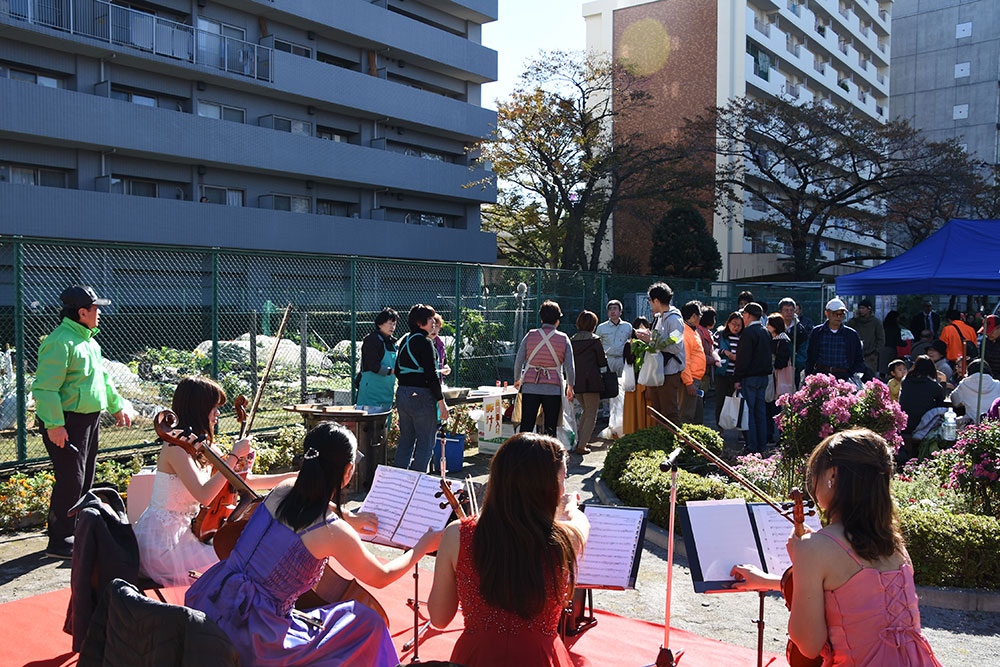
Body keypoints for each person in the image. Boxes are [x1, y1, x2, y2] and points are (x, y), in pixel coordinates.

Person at [186, 422, 441, 667]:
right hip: (258, 633)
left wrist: (348, 517)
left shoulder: (284, 488)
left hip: (215, 595)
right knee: (367, 621)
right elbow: (381, 576)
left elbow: (310, 498)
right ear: (348, 470)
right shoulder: (330, 531)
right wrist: (420, 548)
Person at [730, 429, 944, 667]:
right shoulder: (895, 545)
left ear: (832, 474)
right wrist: (768, 580)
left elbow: (808, 644)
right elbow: (854, 595)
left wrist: (801, 558)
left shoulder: (815, 548)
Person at [428, 432, 590, 667]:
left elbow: (439, 617)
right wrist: (569, 509)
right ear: (546, 486)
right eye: (563, 479)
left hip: (476, 657)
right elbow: (581, 522)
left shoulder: (457, 534)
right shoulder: (565, 538)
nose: (564, 489)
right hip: (540, 658)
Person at [133, 376, 296, 587]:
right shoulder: (175, 448)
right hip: (164, 543)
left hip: (189, 535)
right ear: (199, 409)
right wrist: (234, 457)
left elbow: (241, 482)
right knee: (235, 564)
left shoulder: (204, 447)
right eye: (214, 408)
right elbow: (204, 494)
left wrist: (291, 477)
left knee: (243, 558)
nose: (218, 414)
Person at [32, 285, 132, 559]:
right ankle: (59, 540)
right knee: (71, 480)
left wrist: (117, 406)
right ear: (82, 312)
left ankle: (75, 530)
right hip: (65, 422)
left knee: (84, 478)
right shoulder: (59, 342)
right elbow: (45, 388)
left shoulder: (89, 341)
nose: (99, 313)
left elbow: (102, 380)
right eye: (96, 308)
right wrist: (54, 424)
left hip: (89, 420)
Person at [394, 304, 450, 471]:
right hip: (422, 396)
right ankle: (417, 483)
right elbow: (432, 376)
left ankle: (397, 482)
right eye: (430, 319)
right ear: (420, 323)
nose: (434, 322)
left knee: (406, 440)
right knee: (425, 442)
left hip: (402, 394)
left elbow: (397, 370)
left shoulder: (405, 340)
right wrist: (441, 401)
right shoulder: (426, 342)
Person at [513, 300, 576, 438]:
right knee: (550, 427)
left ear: (541, 318)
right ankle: (549, 456)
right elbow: (570, 367)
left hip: (530, 386)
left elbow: (519, 360)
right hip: (553, 388)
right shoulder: (563, 338)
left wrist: (517, 379)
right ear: (558, 320)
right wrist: (570, 386)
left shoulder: (530, 335)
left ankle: (522, 454)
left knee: (527, 425)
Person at [635, 283, 685, 425]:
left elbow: (676, 346)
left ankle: (675, 443)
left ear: (656, 300)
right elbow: (658, 340)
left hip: (670, 371)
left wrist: (650, 340)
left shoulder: (674, 319)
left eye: (650, 300)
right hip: (659, 370)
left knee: (669, 411)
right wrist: (648, 337)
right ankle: (661, 443)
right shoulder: (659, 317)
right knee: (656, 411)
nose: (650, 303)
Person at [733, 303, 772, 454]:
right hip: (763, 378)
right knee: (760, 413)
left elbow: (743, 359)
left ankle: (752, 447)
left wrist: (737, 377)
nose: (743, 317)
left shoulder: (748, 333)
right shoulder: (766, 332)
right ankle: (762, 446)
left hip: (749, 378)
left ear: (748, 315)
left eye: (744, 314)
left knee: (749, 413)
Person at [570, 310, 608, 455]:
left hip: (577, 381)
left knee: (586, 412)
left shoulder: (572, 339)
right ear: (593, 325)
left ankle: (579, 441)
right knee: (591, 413)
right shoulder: (595, 340)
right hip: (592, 381)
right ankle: (581, 445)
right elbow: (602, 361)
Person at [804, 298, 865, 381]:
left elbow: (859, 359)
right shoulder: (817, 332)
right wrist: (809, 376)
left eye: (841, 314)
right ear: (827, 314)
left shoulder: (851, 334)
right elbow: (810, 357)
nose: (838, 317)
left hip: (844, 378)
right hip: (821, 376)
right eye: (835, 314)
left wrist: (852, 375)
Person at [355, 307, 397, 412]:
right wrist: (391, 371)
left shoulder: (392, 342)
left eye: (394, 324)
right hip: (371, 393)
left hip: (386, 392)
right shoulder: (371, 340)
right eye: (390, 323)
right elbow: (373, 365)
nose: (392, 327)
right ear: (380, 324)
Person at [898, 356, 945, 438]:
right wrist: (943, 381)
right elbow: (941, 403)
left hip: (904, 424)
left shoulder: (905, 381)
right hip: (923, 424)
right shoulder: (934, 386)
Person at [765, 313, 793, 445]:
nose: (767, 327)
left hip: (778, 378)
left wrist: (771, 362)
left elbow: (781, 362)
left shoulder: (781, 341)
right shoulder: (780, 339)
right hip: (776, 379)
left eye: (769, 324)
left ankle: (780, 436)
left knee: (777, 408)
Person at [622, 317, 653, 434]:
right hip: (637, 383)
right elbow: (628, 361)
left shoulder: (650, 345)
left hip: (643, 383)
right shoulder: (629, 344)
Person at [713, 312, 743, 429]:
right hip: (722, 374)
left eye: (739, 325)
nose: (736, 327)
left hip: (737, 374)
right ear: (728, 323)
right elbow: (714, 349)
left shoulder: (743, 336)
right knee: (721, 401)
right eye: (734, 324)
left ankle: (740, 430)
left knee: (738, 402)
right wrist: (725, 353)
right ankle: (720, 429)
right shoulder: (720, 335)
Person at [679, 300, 707, 425]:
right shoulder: (686, 332)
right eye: (700, 315)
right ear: (694, 316)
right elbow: (684, 359)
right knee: (688, 416)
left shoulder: (692, 330)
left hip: (696, 379)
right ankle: (685, 443)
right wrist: (689, 382)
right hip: (691, 380)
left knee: (696, 415)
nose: (701, 317)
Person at [846, 299, 884, 380]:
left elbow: (881, 338)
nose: (861, 310)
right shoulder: (856, 321)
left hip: (871, 355)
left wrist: (876, 352)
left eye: (863, 308)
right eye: (859, 308)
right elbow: (846, 329)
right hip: (856, 355)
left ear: (869, 309)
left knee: (869, 377)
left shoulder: (876, 322)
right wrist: (854, 319)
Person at [596, 299, 632, 376]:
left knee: (623, 385)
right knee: (607, 384)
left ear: (620, 312)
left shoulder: (628, 326)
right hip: (608, 360)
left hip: (622, 360)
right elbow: (597, 345)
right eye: (610, 309)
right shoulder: (601, 327)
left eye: (615, 308)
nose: (612, 311)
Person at [778, 297, 809, 385]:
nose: (789, 313)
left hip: (793, 370)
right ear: (780, 311)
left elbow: (803, 352)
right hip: (776, 369)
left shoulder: (800, 330)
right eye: (786, 310)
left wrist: (795, 365)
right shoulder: (774, 326)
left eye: (791, 310)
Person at [882, 310, 908, 375]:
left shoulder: (883, 327)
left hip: (882, 349)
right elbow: (898, 341)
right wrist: (905, 343)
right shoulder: (896, 328)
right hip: (891, 349)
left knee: (882, 368)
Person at [428, 312, 452, 377]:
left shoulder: (440, 344)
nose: (434, 329)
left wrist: (446, 368)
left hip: (438, 381)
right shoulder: (421, 342)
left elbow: (445, 363)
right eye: (432, 326)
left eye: (437, 326)